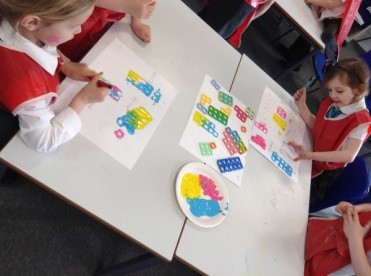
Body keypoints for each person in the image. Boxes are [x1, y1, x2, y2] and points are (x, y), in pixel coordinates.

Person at [0, 0, 111, 153]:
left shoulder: (16, 16)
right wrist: (82, 99)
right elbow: (43, 141)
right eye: (73, 25)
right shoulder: (28, 87)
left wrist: (66, 65)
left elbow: (38, 42)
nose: (79, 30)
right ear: (32, 22)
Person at [288, 58, 371, 208]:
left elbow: (349, 155)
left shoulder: (361, 121)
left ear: (358, 90)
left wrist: (311, 155)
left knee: (294, 198)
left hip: (324, 171)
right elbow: (320, 128)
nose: (332, 95)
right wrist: (302, 107)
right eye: (330, 89)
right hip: (311, 153)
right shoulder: (338, 101)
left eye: (339, 91)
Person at [58, 0, 156, 62]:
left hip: (101, 24)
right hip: (80, 17)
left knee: (91, 53)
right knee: (69, 46)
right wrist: (126, 5)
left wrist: (136, 22)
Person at [305, 201, 371, 275]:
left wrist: (355, 239)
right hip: (330, 228)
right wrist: (355, 209)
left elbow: (365, 273)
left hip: (336, 258)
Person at [199, 0, 275, 48]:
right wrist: (249, 17)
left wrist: (249, 17)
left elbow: (267, 4)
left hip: (242, 8)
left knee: (211, 27)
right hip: (243, 8)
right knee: (213, 29)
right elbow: (267, 4)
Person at [305, 0, 347, 64]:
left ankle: (333, 62)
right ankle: (294, 55)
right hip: (326, 15)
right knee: (311, 28)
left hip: (336, 19)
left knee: (327, 35)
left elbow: (333, 4)